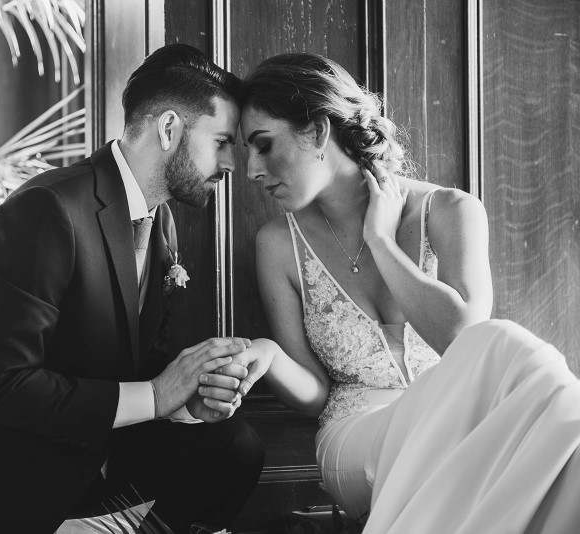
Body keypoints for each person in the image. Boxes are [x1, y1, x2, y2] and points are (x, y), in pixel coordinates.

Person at [0, 44, 266, 534]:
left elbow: (133, 367)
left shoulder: (159, 221)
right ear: (169, 129)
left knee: (234, 447)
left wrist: (187, 404)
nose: (234, 163)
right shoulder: (48, 209)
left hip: (72, 446)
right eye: (223, 141)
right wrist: (158, 394)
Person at [223, 53, 580, 533]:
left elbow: (464, 340)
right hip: (355, 437)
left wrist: (382, 242)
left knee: (513, 362)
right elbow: (314, 396)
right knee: (510, 375)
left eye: (263, 145)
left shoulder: (452, 212)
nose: (250, 169)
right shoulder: (278, 245)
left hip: (466, 423)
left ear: (318, 131)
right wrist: (266, 353)